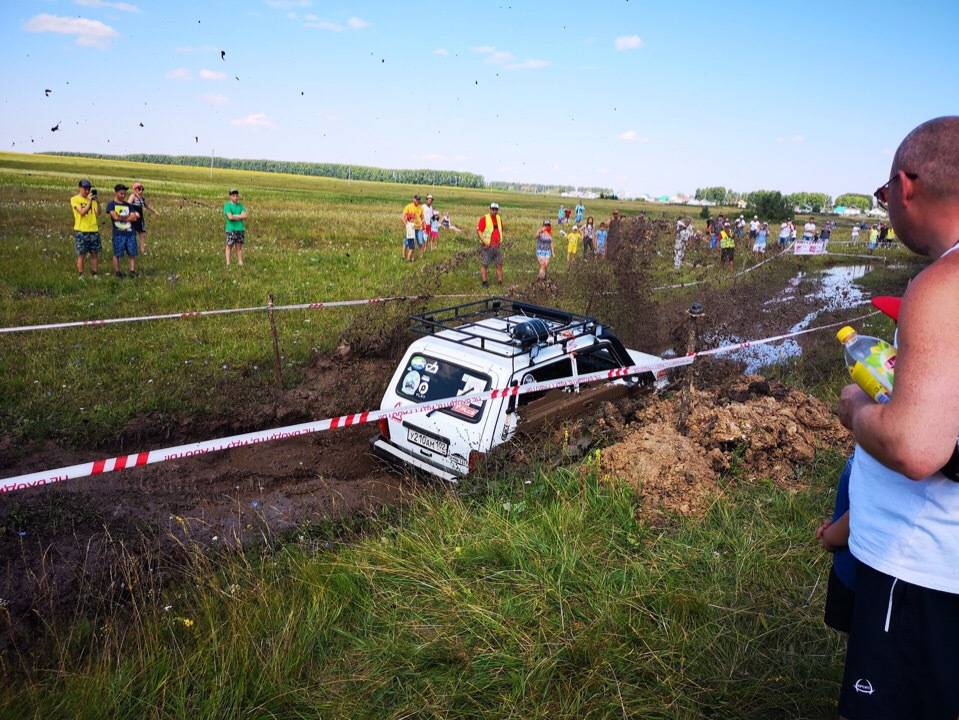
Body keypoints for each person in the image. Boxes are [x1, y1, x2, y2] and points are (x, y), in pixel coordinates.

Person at [836, 116, 959, 719]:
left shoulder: (944, 284)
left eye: (883, 195)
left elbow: (915, 448)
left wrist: (859, 409)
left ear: (905, 186)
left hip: (925, 572)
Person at [106, 183, 140, 278]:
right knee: (117, 253)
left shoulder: (129, 205)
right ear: (116, 193)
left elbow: (134, 218)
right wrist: (127, 217)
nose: (123, 195)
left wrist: (121, 217)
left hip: (130, 232)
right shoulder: (111, 204)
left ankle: (132, 272)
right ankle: (117, 272)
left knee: (132, 253)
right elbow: (115, 217)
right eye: (121, 193)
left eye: (125, 193)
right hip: (118, 232)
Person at [70, 179, 101, 279]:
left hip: (93, 229)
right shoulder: (75, 199)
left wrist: (98, 202)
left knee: (94, 253)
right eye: (85, 189)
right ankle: (81, 274)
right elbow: (82, 212)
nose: (87, 191)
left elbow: (98, 213)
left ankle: (95, 273)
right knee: (82, 253)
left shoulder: (92, 199)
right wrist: (89, 202)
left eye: (88, 189)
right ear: (79, 188)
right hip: (82, 229)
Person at [476, 202, 504, 288]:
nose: (495, 211)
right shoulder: (484, 218)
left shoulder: (499, 218)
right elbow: (479, 231)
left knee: (499, 264)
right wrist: (484, 242)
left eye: (496, 210)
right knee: (485, 264)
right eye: (493, 209)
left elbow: (501, 229)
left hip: (497, 245)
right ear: (490, 209)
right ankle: (484, 282)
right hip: (487, 246)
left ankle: (500, 282)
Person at [128, 182, 159, 254]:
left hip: (140, 218)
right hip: (133, 217)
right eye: (139, 189)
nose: (141, 190)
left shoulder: (142, 197)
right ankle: (131, 250)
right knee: (132, 234)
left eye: (142, 189)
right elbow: (128, 205)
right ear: (135, 189)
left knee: (143, 234)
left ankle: (143, 251)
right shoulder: (133, 196)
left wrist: (155, 211)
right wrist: (134, 212)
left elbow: (147, 205)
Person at [223, 188, 247, 266]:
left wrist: (235, 216)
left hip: (240, 229)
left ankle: (240, 262)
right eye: (233, 196)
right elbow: (230, 217)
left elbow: (245, 215)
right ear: (230, 196)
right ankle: (228, 263)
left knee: (239, 247)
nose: (235, 198)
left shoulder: (241, 206)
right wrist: (240, 216)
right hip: (231, 229)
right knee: (229, 246)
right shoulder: (227, 205)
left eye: (237, 196)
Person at [402, 194, 425, 261]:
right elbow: (402, 217)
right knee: (407, 242)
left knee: (420, 242)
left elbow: (422, 217)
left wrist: (424, 225)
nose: (417, 201)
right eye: (416, 199)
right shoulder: (408, 207)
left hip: (419, 228)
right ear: (414, 199)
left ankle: (420, 257)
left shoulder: (421, 207)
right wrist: (406, 225)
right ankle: (404, 256)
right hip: (411, 228)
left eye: (419, 200)